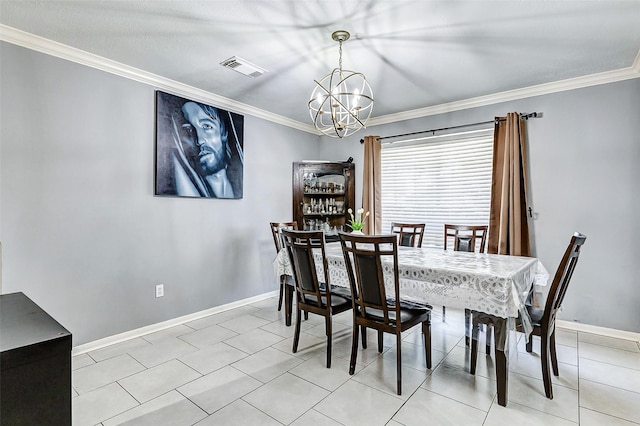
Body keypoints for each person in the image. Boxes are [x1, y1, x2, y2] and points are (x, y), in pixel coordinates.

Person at [156, 92, 243, 198]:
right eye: (188, 130)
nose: (199, 140)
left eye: (206, 126)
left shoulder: (239, 184)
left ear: (223, 133)